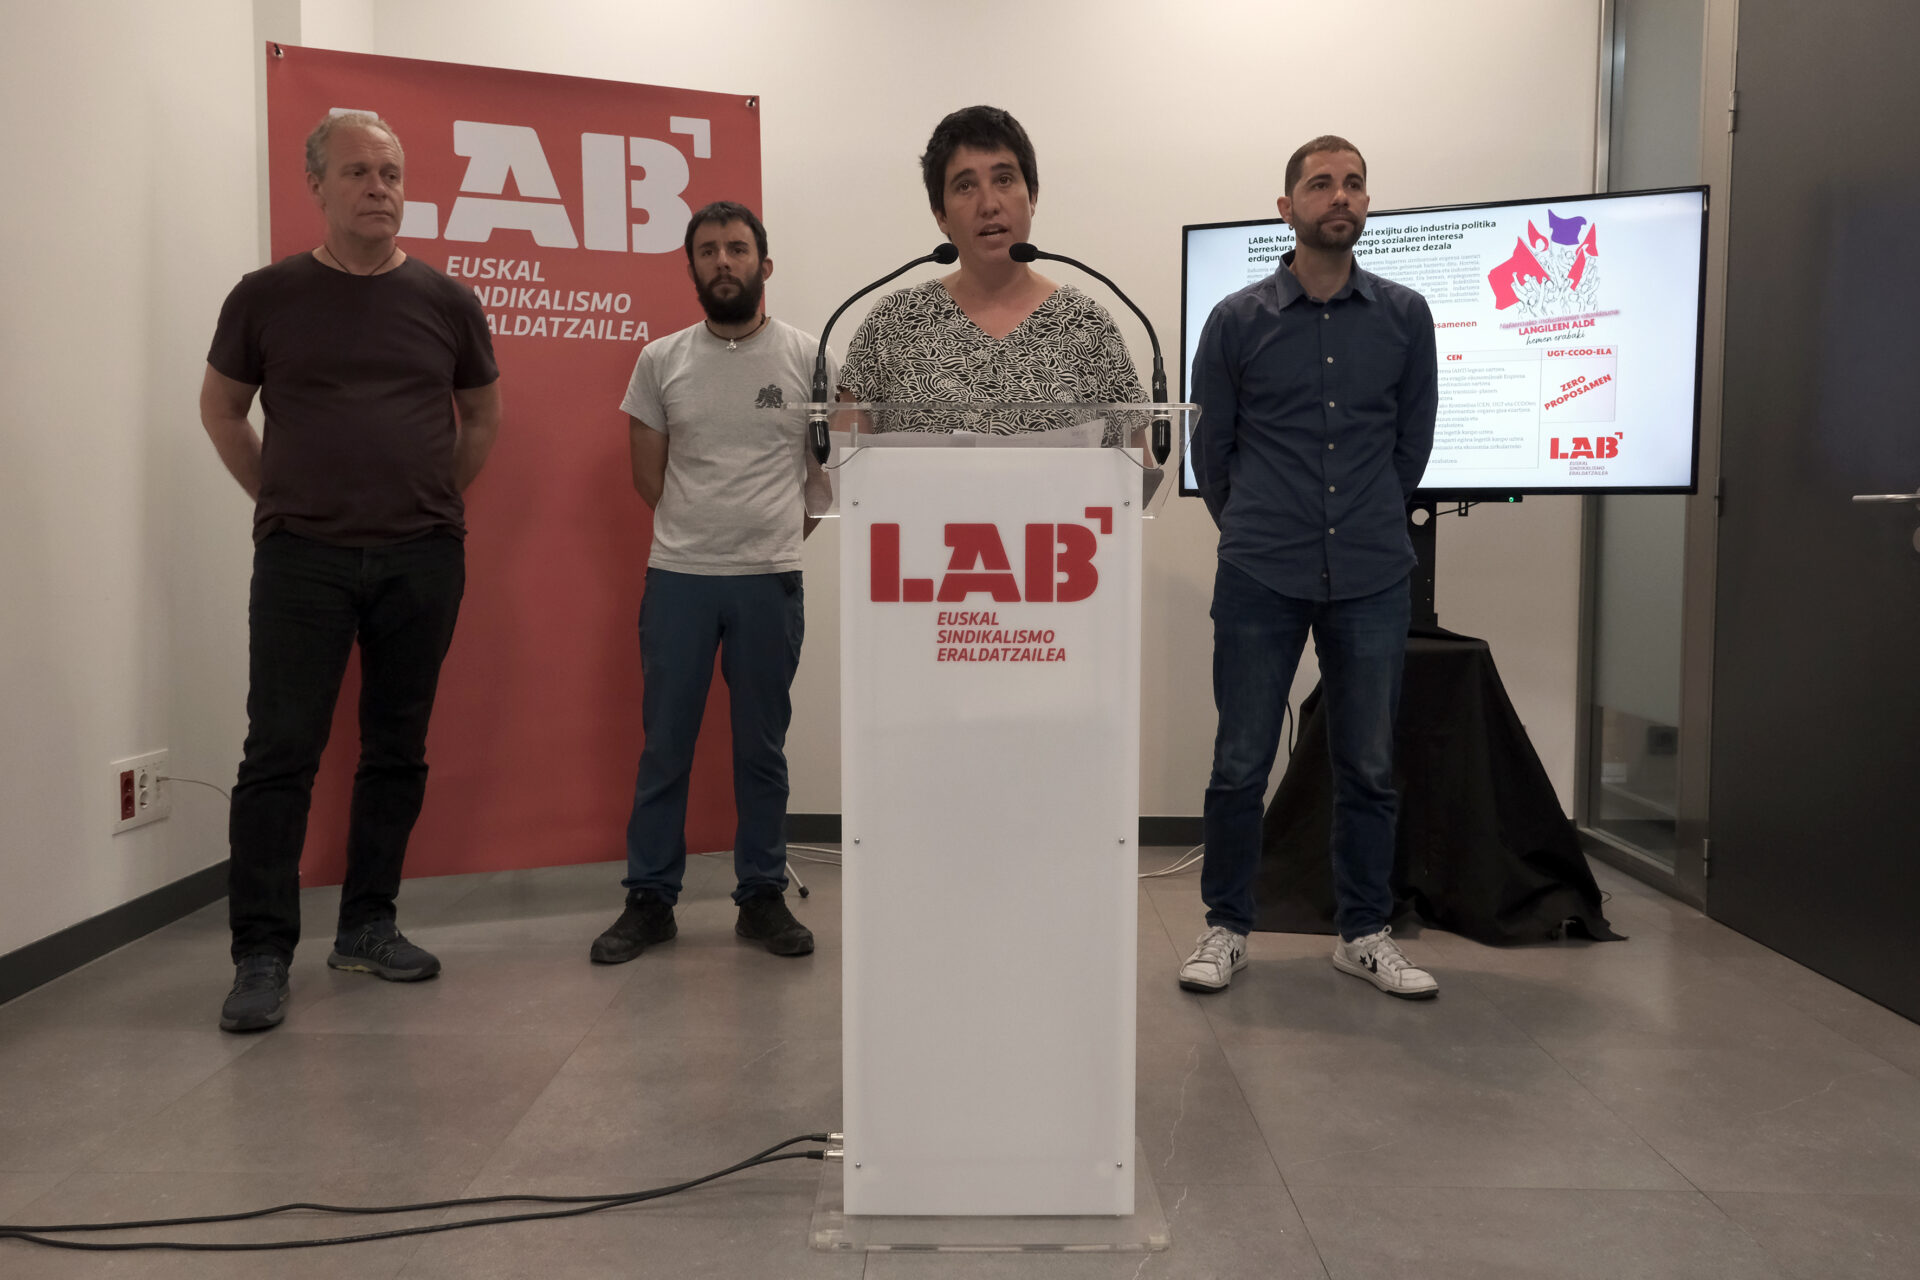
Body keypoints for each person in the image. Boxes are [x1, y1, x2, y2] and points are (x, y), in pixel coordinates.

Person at [200, 113, 502, 1032]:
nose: (380, 188)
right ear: (318, 186)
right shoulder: (265, 296)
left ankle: (369, 925)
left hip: (422, 556)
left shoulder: (447, 301)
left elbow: (482, 417)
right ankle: (261, 953)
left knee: (396, 749)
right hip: (304, 559)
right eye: (360, 172)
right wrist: (281, 498)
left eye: (392, 173)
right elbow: (221, 411)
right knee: (279, 754)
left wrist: (429, 502)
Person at [1182, 136, 1439, 999]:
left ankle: (1362, 932)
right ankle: (1226, 927)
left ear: (1367, 203)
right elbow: (1212, 451)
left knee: (1368, 766)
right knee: (1239, 762)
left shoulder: (1406, 316)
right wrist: (1258, 523)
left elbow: (1411, 444)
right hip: (1261, 568)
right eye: (1322, 183)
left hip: (1372, 570)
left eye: (1355, 183)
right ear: (1286, 206)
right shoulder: (1235, 320)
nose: (1341, 196)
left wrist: (1364, 515)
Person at [591, 202, 830, 964]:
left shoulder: (809, 359)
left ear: (765, 264)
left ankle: (761, 896)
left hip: (769, 581)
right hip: (680, 580)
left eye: (737, 248)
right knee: (666, 747)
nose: (723, 261)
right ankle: (650, 900)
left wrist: (770, 538)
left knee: (762, 749)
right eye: (707, 251)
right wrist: (704, 534)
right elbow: (648, 478)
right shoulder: (660, 360)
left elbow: (825, 478)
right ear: (691, 267)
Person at [836, 105, 1144, 434]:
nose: (989, 205)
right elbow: (844, 459)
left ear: (1032, 197)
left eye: (1004, 180)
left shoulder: (1087, 324)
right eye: (965, 186)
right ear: (941, 214)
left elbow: (1134, 462)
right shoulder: (891, 322)